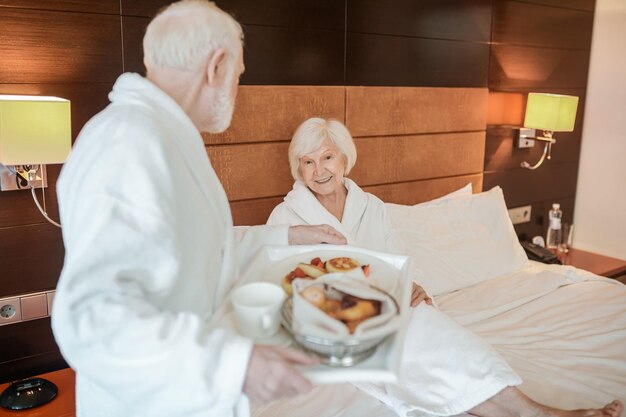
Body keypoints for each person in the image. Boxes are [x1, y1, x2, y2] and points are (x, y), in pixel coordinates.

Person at [51, 3, 347, 417]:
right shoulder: (127, 143)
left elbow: (198, 248)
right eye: (239, 74)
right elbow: (92, 320)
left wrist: (288, 235)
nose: (236, 87)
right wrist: (234, 365)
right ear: (217, 66)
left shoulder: (165, 137)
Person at [265, 117, 623, 417]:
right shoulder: (287, 216)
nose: (318, 170)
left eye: (326, 157)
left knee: (424, 323)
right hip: (326, 321)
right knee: (416, 329)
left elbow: (395, 260)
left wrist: (412, 284)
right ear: (298, 168)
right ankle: (536, 412)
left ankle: (519, 409)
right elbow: (281, 286)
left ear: (344, 159)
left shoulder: (370, 206)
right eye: (307, 162)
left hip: (383, 306)